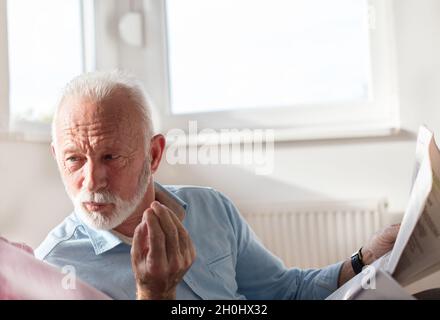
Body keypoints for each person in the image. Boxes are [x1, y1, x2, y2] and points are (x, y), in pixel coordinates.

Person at [35, 71, 399, 300]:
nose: (92, 180)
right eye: (74, 160)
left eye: (111, 157)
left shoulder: (212, 209)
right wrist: (153, 293)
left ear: (154, 154)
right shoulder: (53, 268)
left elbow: (284, 291)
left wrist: (364, 259)